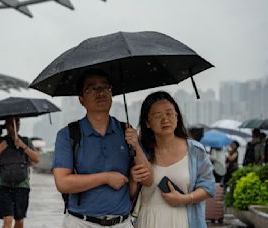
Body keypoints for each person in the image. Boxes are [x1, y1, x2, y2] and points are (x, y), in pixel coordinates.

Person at [52, 69, 153, 228]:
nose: (100, 92)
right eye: (92, 88)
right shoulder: (69, 135)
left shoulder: (126, 131)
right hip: (81, 222)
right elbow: (62, 183)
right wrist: (106, 178)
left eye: (105, 87)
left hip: (122, 222)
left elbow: (148, 179)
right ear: (81, 99)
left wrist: (136, 146)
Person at [130, 91, 215, 228]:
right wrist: (133, 180)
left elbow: (209, 187)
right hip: (148, 221)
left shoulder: (195, 150)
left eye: (169, 113)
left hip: (184, 221)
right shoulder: (138, 152)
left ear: (177, 116)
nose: (165, 119)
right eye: (158, 115)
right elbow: (130, 195)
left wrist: (184, 199)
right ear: (147, 122)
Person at [0, 116, 40, 228]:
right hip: (4, 185)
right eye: (12, 123)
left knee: (19, 220)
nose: (15, 126)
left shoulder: (26, 141)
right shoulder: (0, 142)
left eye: (17, 122)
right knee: (8, 219)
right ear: (7, 126)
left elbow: (36, 159)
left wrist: (23, 146)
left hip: (22, 185)